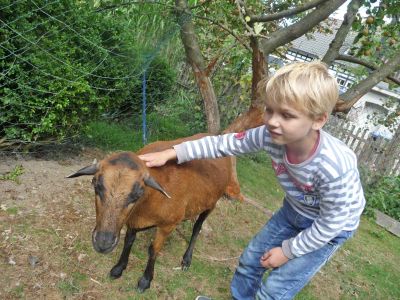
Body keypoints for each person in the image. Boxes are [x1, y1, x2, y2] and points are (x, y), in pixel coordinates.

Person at [138, 61, 366, 300]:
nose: (272, 121)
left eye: (286, 115)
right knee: (251, 261)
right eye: (269, 110)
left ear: (318, 120)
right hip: (294, 211)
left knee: (275, 289)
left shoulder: (334, 167)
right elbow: (222, 143)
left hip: (332, 226)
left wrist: (288, 251)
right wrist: (172, 152)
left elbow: (331, 223)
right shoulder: (270, 135)